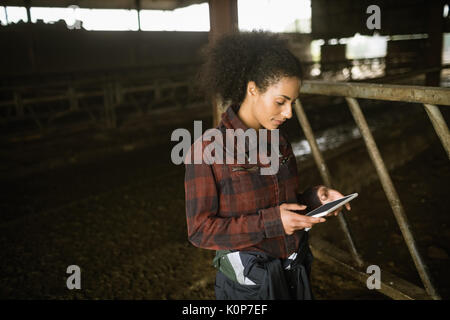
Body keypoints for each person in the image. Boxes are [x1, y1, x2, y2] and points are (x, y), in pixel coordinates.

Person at [184, 31, 351, 300]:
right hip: (248, 287)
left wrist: (315, 198)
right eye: (280, 101)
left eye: (293, 103)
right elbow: (200, 231)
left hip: (294, 272)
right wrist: (272, 223)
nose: (288, 113)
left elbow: (283, 203)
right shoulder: (207, 151)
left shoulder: (278, 141)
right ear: (252, 89)